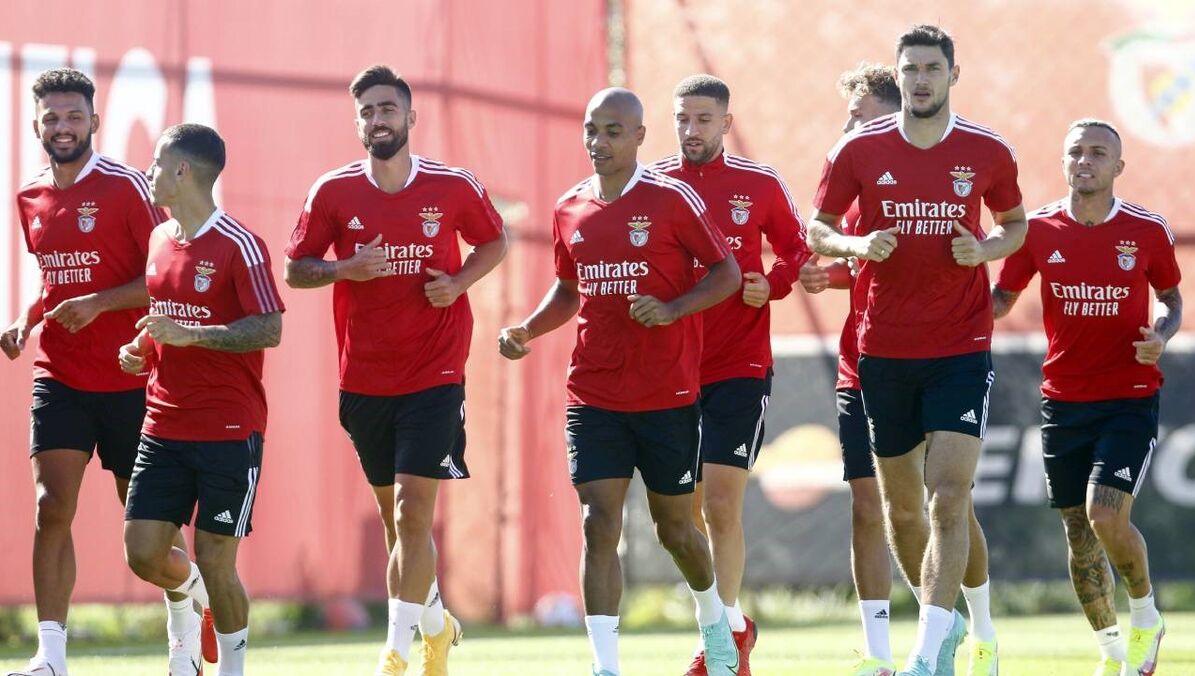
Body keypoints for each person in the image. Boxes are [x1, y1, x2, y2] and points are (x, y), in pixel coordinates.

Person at [807, 25, 1028, 676]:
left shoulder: (987, 150)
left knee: (948, 498)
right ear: (898, 74)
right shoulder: (857, 149)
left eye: (933, 68)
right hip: (882, 350)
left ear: (953, 75)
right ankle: (952, 627)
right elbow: (818, 228)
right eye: (911, 69)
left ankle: (931, 653)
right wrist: (855, 245)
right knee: (902, 511)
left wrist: (984, 249)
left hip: (961, 346)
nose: (921, 79)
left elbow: (1015, 226)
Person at [498, 87, 742, 676]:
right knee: (598, 521)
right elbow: (569, 289)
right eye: (591, 129)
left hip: (666, 394)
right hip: (594, 393)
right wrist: (528, 330)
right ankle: (605, 666)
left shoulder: (672, 199)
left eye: (612, 131)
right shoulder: (569, 207)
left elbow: (727, 273)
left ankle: (716, 624)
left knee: (675, 529)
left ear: (638, 136)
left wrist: (673, 308)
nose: (598, 141)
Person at [283, 64, 507, 676]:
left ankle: (395, 652)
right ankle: (435, 625)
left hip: (436, 372)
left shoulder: (452, 185)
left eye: (387, 109)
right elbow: (296, 269)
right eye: (367, 112)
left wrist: (458, 282)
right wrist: (343, 269)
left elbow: (494, 241)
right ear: (357, 123)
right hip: (364, 378)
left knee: (411, 511)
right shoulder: (332, 192)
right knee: (396, 520)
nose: (377, 120)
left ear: (411, 117)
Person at [1, 68, 213, 676]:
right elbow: (54, 280)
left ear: (94, 121)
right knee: (51, 506)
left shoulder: (127, 188)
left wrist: (99, 304)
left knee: (148, 530)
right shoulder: (29, 195)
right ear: (36, 125)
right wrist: (24, 320)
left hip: (132, 377)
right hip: (59, 375)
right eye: (51, 118)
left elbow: (166, 276)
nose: (62, 127)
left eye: (73, 116)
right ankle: (50, 656)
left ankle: (187, 616)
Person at [993, 120, 1181, 676]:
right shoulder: (1037, 229)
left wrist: (1162, 335)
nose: (1085, 160)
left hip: (1128, 397)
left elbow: (1171, 300)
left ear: (1117, 167)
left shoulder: (1146, 230)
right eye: (1075, 151)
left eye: (1098, 152)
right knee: (1078, 532)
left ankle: (1146, 615)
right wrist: (943, 294)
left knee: (1105, 514)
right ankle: (1111, 652)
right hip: (1062, 401)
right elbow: (1002, 298)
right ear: (1063, 161)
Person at [648, 73, 811, 675]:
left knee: (720, 505)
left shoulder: (758, 183)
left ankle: (717, 643)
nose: (691, 129)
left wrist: (776, 282)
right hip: (670, 368)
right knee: (681, 514)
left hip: (740, 365)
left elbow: (797, 249)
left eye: (703, 119)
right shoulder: (654, 184)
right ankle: (734, 626)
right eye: (682, 118)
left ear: (726, 122)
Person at [118, 123, 285, 676]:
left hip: (228, 430)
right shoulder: (158, 238)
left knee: (216, 558)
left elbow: (268, 329)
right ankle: (199, 597)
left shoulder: (240, 243)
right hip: (162, 425)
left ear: (182, 170)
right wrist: (143, 348)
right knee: (143, 553)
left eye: (156, 163)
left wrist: (192, 336)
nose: (149, 172)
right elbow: (165, 315)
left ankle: (231, 669)